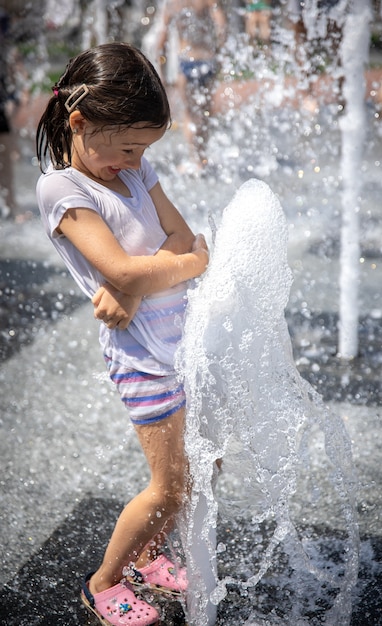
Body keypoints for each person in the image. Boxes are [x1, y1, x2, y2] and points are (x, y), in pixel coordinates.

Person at [36, 42, 209, 626]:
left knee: (199, 472)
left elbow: (182, 236)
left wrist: (138, 286)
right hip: (141, 357)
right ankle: (103, 584)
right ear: (80, 123)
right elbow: (132, 265)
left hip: (181, 343)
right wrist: (160, 273)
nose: (136, 162)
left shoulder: (136, 167)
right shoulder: (64, 191)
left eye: (145, 149)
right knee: (168, 484)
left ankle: (148, 558)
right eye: (129, 146)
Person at [156, 0, 227, 168]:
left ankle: (194, 158)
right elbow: (222, 25)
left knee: (189, 112)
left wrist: (162, 72)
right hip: (207, 59)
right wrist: (220, 53)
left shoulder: (174, 3)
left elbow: (162, 41)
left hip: (187, 63)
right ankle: (203, 156)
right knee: (206, 111)